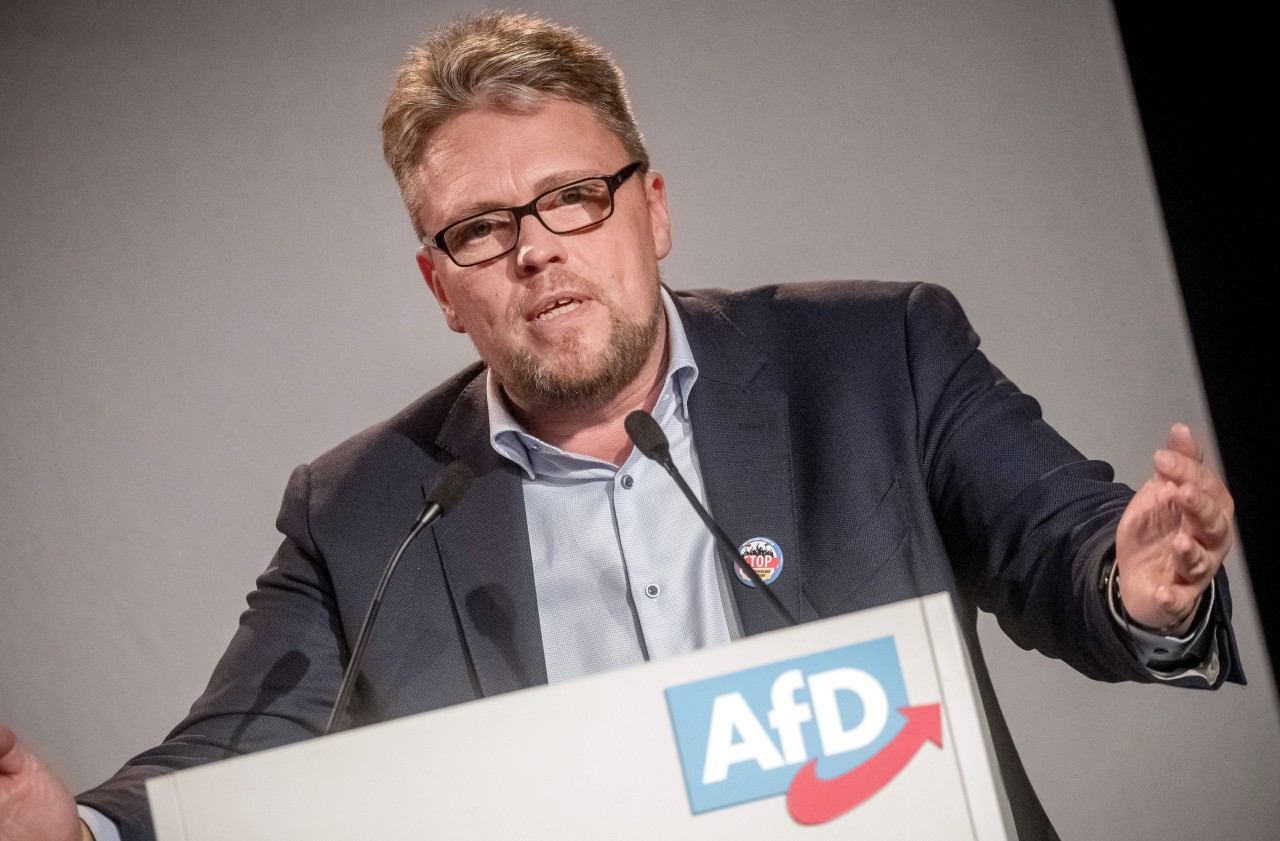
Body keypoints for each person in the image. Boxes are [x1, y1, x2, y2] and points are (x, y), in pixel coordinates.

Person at [0, 12, 1240, 841]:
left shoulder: (876, 358)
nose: (534, 247)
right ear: (442, 288)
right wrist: (77, 830)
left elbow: (1057, 545)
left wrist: (1132, 582)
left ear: (651, 211)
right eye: (480, 229)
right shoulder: (365, 509)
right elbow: (235, 755)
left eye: (570, 197)